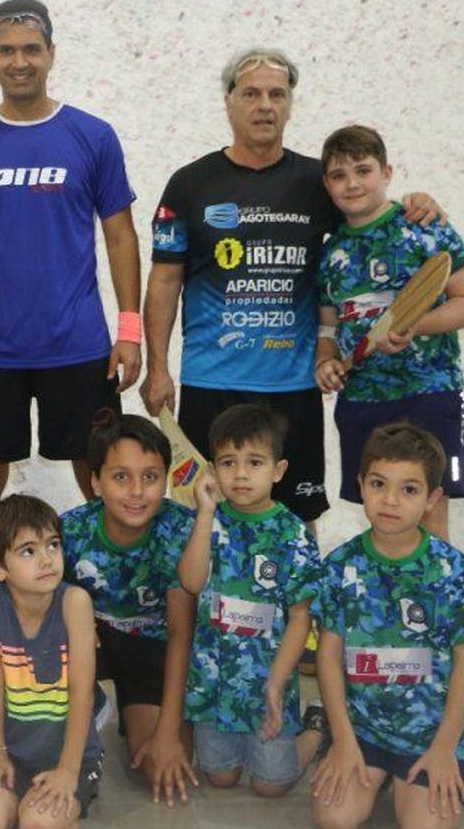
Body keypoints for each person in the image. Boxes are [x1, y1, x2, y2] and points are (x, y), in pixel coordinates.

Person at [142, 48, 446, 525]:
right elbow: (164, 278)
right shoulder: (189, 184)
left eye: (276, 94)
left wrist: (416, 201)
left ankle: (295, 603)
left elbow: (370, 215)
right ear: (230, 103)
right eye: (252, 94)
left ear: (289, 104)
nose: (265, 105)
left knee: (296, 517)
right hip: (211, 380)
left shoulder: (316, 181)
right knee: (201, 513)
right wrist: (158, 367)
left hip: (293, 385)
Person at [0, 0, 142, 510]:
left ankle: (98, 585)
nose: (19, 62)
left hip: (80, 346)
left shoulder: (93, 136)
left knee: (101, 482)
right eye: (7, 51)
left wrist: (128, 333)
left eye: (31, 50)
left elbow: (121, 237)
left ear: (51, 54)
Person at [309, 424, 464, 829]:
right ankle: (371, 766)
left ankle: (462, 764)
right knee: (335, 821)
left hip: (429, 733)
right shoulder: (339, 566)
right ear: (361, 487)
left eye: (409, 490)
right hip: (365, 729)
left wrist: (445, 746)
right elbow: (329, 658)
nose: (390, 500)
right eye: (378, 484)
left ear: (432, 500)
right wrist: (344, 740)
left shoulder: (452, 571)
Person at [316, 125, 464, 541]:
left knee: (427, 510)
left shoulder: (427, 228)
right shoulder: (329, 253)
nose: (352, 183)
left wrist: (414, 324)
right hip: (363, 400)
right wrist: (324, 361)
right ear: (327, 184)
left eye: (363, 170)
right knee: (382, 516)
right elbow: (328, 324)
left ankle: (433, 605)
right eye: (339, 175)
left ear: (387, 173)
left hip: (428, 393)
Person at [177, 404, 326, 796]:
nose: (240, 474)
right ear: (213, 469)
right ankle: (240, 750)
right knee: (221, 777)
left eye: (255, 462)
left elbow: (300, 618)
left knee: (271, 786)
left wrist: (277, 681)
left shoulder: (292, 534)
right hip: (214, 680)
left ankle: (316, 730)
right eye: (228, 462)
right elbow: (191, 582)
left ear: (278, 470)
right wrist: (205, 512)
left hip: (266, 682)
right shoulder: (209, 521)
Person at [59, 414, 198, 803]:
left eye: (150, 477)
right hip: (93, 646)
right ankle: (90, 704)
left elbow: (180, 633)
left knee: (162, 763)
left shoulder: (180, 530)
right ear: (95, 482)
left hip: (153, 650)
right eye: (121, 477)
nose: (137, 491)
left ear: (166, 480)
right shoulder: (70, 532)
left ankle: (146, 711)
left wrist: (168, 733)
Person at [0, 495, 102, 829]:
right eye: (28, 551)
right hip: (10, 750)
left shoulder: (75, 603)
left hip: (68, 755)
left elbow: (82, 691)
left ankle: (67, 798)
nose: (46, 559)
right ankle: (19, 793)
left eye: (53, 545)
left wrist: (68, 771)